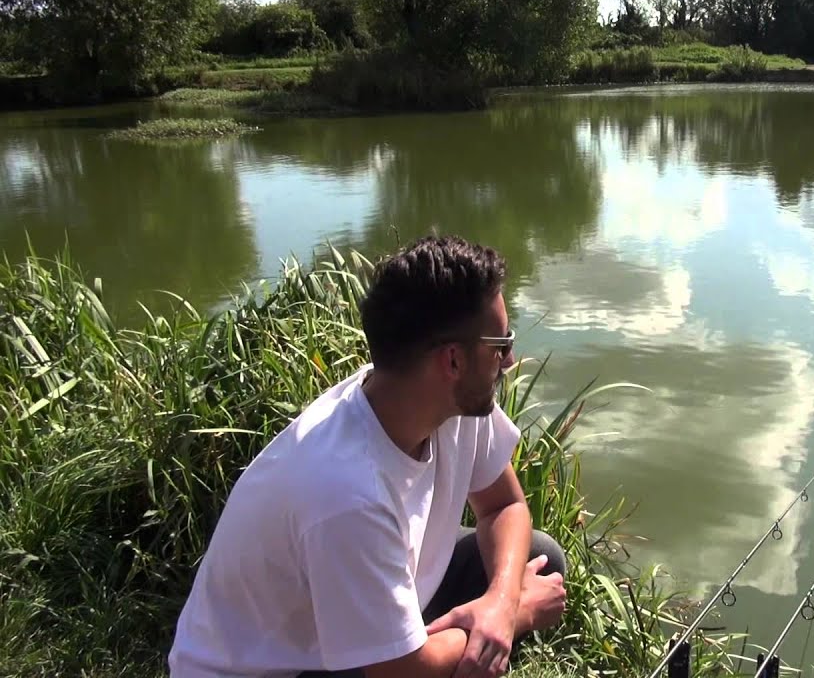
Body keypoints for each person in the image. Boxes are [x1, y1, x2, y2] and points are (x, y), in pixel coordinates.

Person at [169, 235, 568, 678]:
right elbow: (402, 672)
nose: (510, 360)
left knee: (540, 556)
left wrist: (498, 601)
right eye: (500, 344)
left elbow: (504, 505)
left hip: (351, 615)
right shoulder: (346, 493)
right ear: (452, 360)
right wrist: (517, 615)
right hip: (286, 667)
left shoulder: (441, 399)